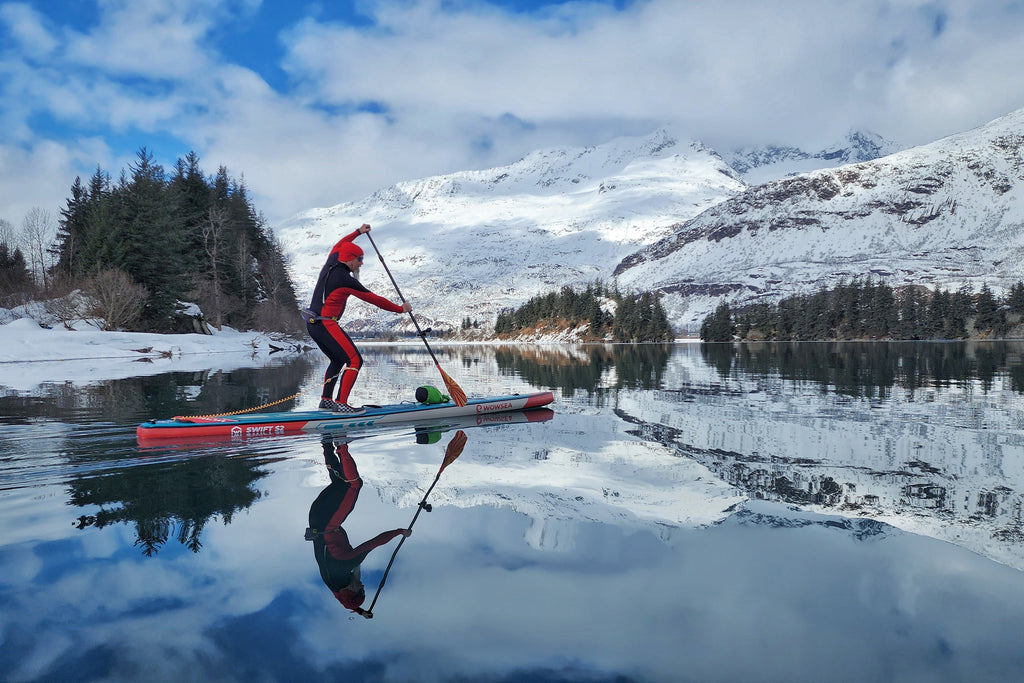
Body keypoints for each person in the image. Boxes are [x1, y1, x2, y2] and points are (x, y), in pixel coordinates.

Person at [305, 224, 411, 414]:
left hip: (313, 324)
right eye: (360, 259)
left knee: (337, 360)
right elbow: (375, 299)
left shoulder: (332, 260)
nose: (361, 263)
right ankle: (342, 405)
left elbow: (341, 243)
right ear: (350, 260)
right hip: (326, 323)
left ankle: (326, 401)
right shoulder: (345, 280)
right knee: (355, 360)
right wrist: (400, 309)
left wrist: (358, 233)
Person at [307, 435, 411, 618]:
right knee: (340, 483)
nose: (362, 587)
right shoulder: (334, 585)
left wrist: (400, 532)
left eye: (359, 590)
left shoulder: (347, 564)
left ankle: (342, 445)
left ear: (350, 590)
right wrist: (359, 611)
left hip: (328, 522)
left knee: (354, 484)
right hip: (316, 519)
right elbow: (343, 600)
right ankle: (327, 443)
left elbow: (374, 543)